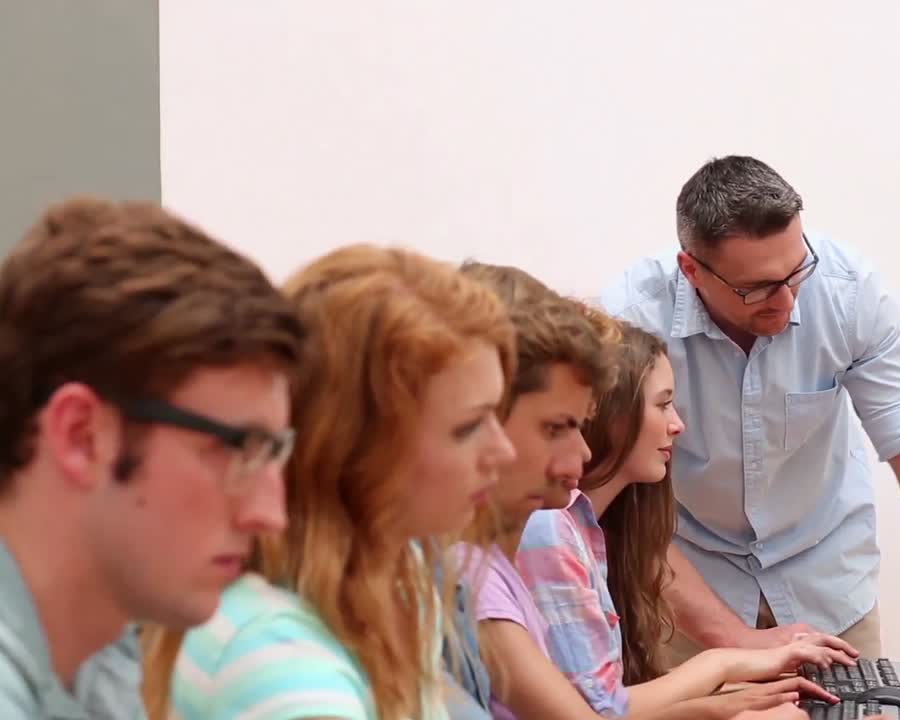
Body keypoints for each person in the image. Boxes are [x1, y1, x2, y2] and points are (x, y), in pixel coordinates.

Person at [598, 155, 900, 665]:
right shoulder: (631, 322)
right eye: (759, 288)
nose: (786, 301)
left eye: (796, 272)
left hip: (827, 586)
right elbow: (619, 509)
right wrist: (734, 640)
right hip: (685, 594)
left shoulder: (848, 294)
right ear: (692, 270)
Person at [144, 245, 516, 720]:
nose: (503, 452)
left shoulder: (394, 584)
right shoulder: (278, 660)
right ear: (354, 449)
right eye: (468, 427)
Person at [448, 263, 833, 720]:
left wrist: (720, 699)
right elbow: (598, 712)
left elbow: (594, 711)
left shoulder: (499, 562)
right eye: (558, 427)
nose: (580, 451)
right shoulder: (522, 544)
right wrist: (723, 691)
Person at [0, 197, 303, 718]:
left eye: (273, 453)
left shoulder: (101, 662)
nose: (268, 515)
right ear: (81, 436)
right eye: (238, 449)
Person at [515, 317, 857, 717]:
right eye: (662, 405)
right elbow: (598, 708)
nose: (678, 425)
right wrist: (723, 667)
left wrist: (722, 701)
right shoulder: (548, 528)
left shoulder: (589, 530)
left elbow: (607, 700)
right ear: (611, 415)